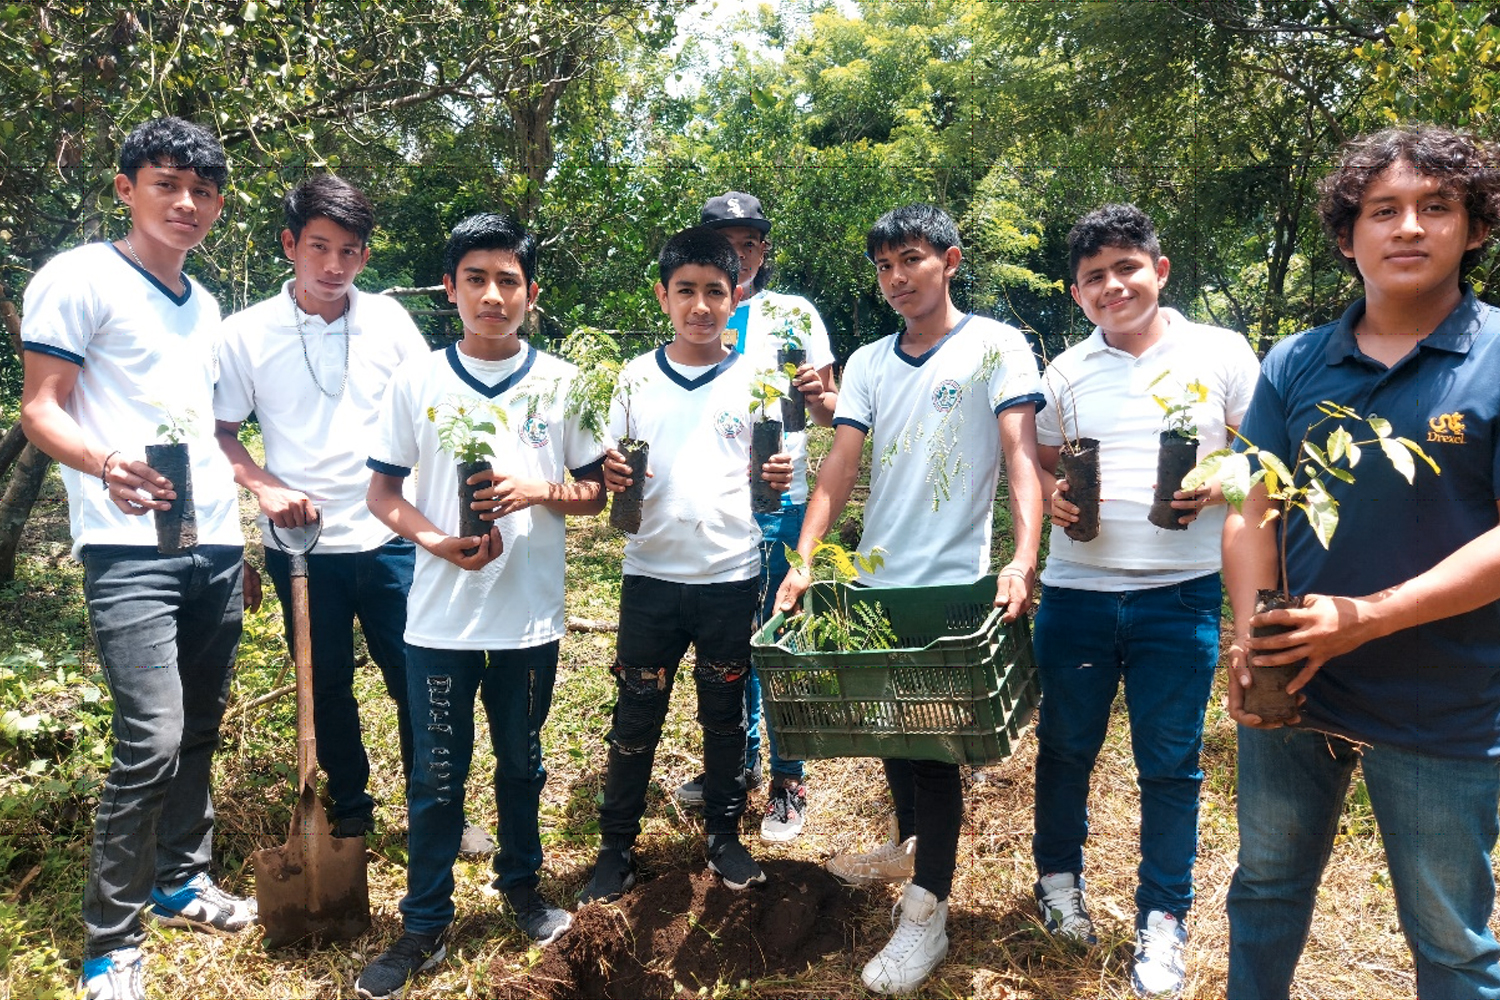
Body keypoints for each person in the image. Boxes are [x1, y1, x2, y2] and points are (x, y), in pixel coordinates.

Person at [1222, 124, 1500, 1000]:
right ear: (1349, 237)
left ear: (1477, 227)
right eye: (1384, 210)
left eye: (1436, 207)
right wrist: (1249, 636)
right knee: (1264, 890)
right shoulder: (1297, 362)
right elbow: (1252, 505)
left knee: (1450, 939)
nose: (1409, 228)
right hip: (1297, 684)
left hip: (1444, 698)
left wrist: (1371, 616)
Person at [774, 203, 1045, 995]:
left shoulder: (996, 346)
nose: (897, 279)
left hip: (954, 583)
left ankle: (926, 913)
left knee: (932, 750)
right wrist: (805, 562)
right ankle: (912, 844)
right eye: (885, 266)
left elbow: (1021, 458)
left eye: (913, 261)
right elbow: (839, 466)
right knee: (888, 723)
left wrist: (1022, 559)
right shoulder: (866, 362)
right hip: (876, 580)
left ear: (951, 261)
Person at [18, 116, 254, 1000]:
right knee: (149, 737)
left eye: (201, 191)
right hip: (128, 550)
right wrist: (103, 462)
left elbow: (210, 429)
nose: (186, 203)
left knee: (197, 723)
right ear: (126, 189)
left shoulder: (206, 304)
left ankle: (180, 879)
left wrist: (249, 516)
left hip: (213, 542)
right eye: (165, 184)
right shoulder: (77, 277)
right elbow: (43, 405)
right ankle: (109, 943)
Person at [355, 213, 606, 999]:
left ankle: (522, 890)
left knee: (522, 764)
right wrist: (432, 541)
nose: (492, 295)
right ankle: (424, 922)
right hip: (439, 620)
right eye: (475, 279)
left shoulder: (561, 382)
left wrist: (535, 489)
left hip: (529, 617)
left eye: (508, 280)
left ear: (530, 292)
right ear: (449, 288)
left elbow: (595, 493)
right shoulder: (418, 381)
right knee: (435, 775)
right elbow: (383, 493)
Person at [1032, 204, 1259, 998]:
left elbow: (1260, 466)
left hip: (1181, 596)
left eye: (1126, 268)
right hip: (1077, 594)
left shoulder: (1221, 353)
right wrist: (1055, 497)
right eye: (1094, 278)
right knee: (1065, 750)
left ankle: (1162, 919)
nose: (1112, 286)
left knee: (1171, 765)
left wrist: (1218, 481)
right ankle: (1058, 884)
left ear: (1159, 272)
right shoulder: (1063, 373)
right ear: (1076, 293)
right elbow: (1044, 462)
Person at [214, 173, 436, 842]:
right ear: (290, 245)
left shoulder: (390, 321)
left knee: (416, 675)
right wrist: (263, 486)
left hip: (392, 533)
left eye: (349, 251)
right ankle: (352, 811)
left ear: (365, 256)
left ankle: (433, 807)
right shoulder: (246, 333)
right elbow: (219, 431)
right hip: (301, 544)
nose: (334, 266)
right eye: (319, 247)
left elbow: (431, 411)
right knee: (327, 682)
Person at [578, 226, 793, 905]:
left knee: (725, 714)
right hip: (651, 576)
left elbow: (772, 467)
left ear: (736, 298)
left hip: (731, 575)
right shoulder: (637, 378)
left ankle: (725, 837)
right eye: (686, 292)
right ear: (663, 297)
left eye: (715, 293)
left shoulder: (760, 379)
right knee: (636, 711)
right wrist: (609, 471)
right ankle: (616, 848)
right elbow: (608, 464)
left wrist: (779, 474)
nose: (700, 306)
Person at [672, 190, 837, 843]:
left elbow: (826, 413)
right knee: (724, 641)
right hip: (714, 505)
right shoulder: (699, 307)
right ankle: (738, 766)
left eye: (749, 244)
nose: (738, 255)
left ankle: (789, 781)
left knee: (778, 640)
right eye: (724, 243)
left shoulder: (794, 316)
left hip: (782, 501)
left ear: (765, 252)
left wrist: (821, 395)